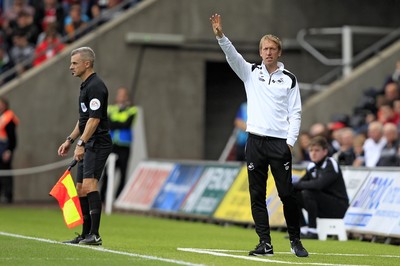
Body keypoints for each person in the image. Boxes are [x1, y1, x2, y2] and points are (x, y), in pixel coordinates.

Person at [210, 14, 308, 257]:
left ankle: (295, 240)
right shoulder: (250, 73)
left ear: (279, 52)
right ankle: (265, 242)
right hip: (254, 142)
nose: (268, 52)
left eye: (273, 48)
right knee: (257, 195)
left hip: (279, 144)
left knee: (287, 194)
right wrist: (221, 36)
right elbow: (233, 56)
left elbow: (295, 113)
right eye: (264, 48)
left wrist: (290, 142)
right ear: (260, 51)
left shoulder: (289, 80)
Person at [57, 47, 112, 245]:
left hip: (98, 142)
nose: (71, 67)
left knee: (89, 185)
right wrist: (70, 140)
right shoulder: (85, 85)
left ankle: (95, 235)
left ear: (87, 64)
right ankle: (85, 234)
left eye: (74, 63)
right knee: (80, 188)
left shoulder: (96, 86)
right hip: (89, 142)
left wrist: (81, 143)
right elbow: (83, 120)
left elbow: (94, 120)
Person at [294, 136, 349, 239]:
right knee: (293, 194)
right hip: (322, 205)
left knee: (308, 192)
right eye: (311, 150)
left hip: (338, 207)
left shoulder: (330, 163)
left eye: (317, 150)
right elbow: (300, 184)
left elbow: (319, 185)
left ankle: (313, 230)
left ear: (325, 151)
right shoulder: (311, 166)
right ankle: (303, 229)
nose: (313, 153)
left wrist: (295, 185)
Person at [100, 87, 138, 201]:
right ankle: (102, 197)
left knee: (123, 172)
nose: (121, 97)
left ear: (127, 97)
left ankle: (118, 198)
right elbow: (109, 123)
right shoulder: (110, 108)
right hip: (112, 144)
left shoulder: (132, 110)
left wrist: (116, 123)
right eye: (119, 95)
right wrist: (118, 123)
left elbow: (127, 124)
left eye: (123, 95)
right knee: (107, 172)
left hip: (124, 145)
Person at [0, 97, 19, 203]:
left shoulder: (9, 117)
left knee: (6, 171)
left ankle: (8, 195)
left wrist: (9, 150)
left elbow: (12, 137)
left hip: (5, 147)